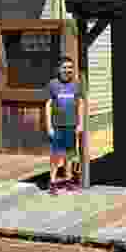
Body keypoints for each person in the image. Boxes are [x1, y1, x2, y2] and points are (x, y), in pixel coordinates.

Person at [45, 56, 84, 195]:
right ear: (59, 69)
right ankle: (53, 182)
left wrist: (80, 124)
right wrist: (49, 126)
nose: (68, 70)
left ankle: (68, 180)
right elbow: (48, 105)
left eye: (70, 67)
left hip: (71, 126)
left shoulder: (76, 84)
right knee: (56, 155)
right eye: (65, 67)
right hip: (57, 126)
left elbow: (80, 104)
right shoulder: (53, 84)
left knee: (70, 154)